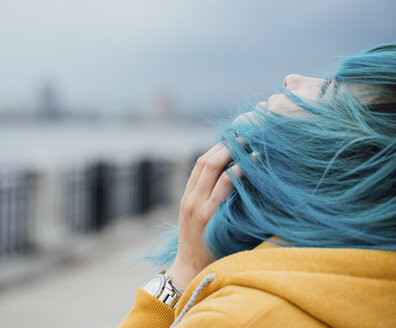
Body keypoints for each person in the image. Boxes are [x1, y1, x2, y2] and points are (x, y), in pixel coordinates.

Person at [119, 43, 396, 328]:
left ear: (349, 162)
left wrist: (181, 274)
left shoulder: (236, 316)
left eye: (328, 88)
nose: (293, 78)